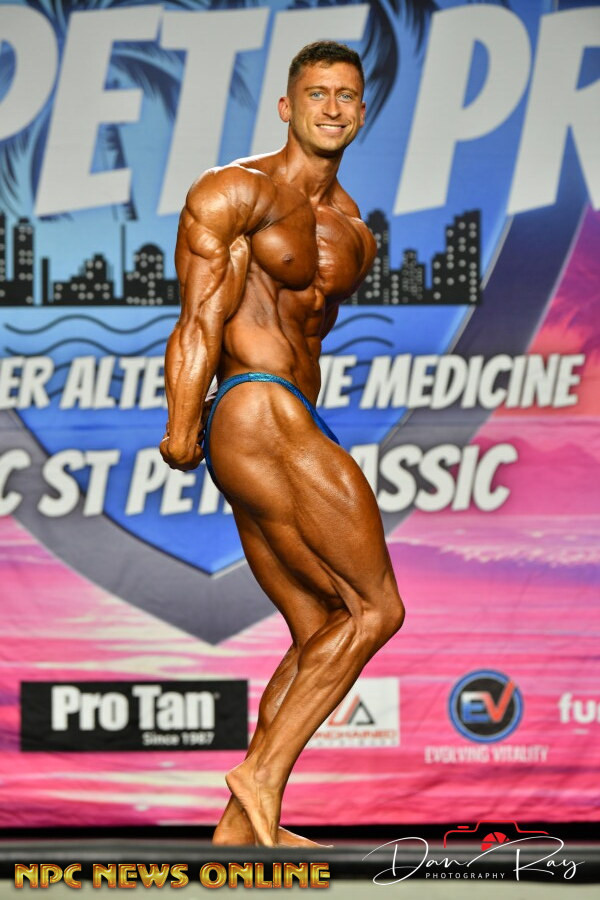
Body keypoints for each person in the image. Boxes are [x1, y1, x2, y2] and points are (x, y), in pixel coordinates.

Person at [159, 40, 405, 847]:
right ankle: (260, 776)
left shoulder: (355, 230)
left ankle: (240, 827)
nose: (332, 107)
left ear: (361, 112)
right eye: (317, 93)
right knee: (377, 607)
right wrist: (182, 426)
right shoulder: (236, 190)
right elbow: (200, 315)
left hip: (293, 414)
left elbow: (311, 334)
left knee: (323, 622)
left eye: (346, 95)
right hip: (254, 403)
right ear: (286, 107)